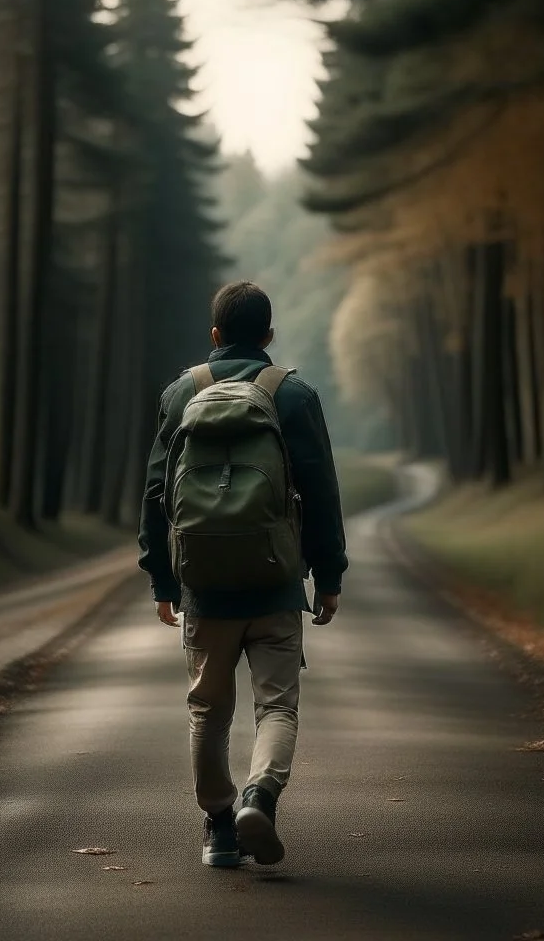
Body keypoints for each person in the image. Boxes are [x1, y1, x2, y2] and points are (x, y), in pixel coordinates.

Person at [138, 280, 348, 869]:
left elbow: (157, 494)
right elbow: (321, 493)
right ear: (269, 336)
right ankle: (262, 795)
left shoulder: (182, 394)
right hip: (276, 580)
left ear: (214, 335)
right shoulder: (294, 395)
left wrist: (162, 579)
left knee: (208, 708)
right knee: (276, 707)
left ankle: (220, 828)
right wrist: (328, 575)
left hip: (204, 586)